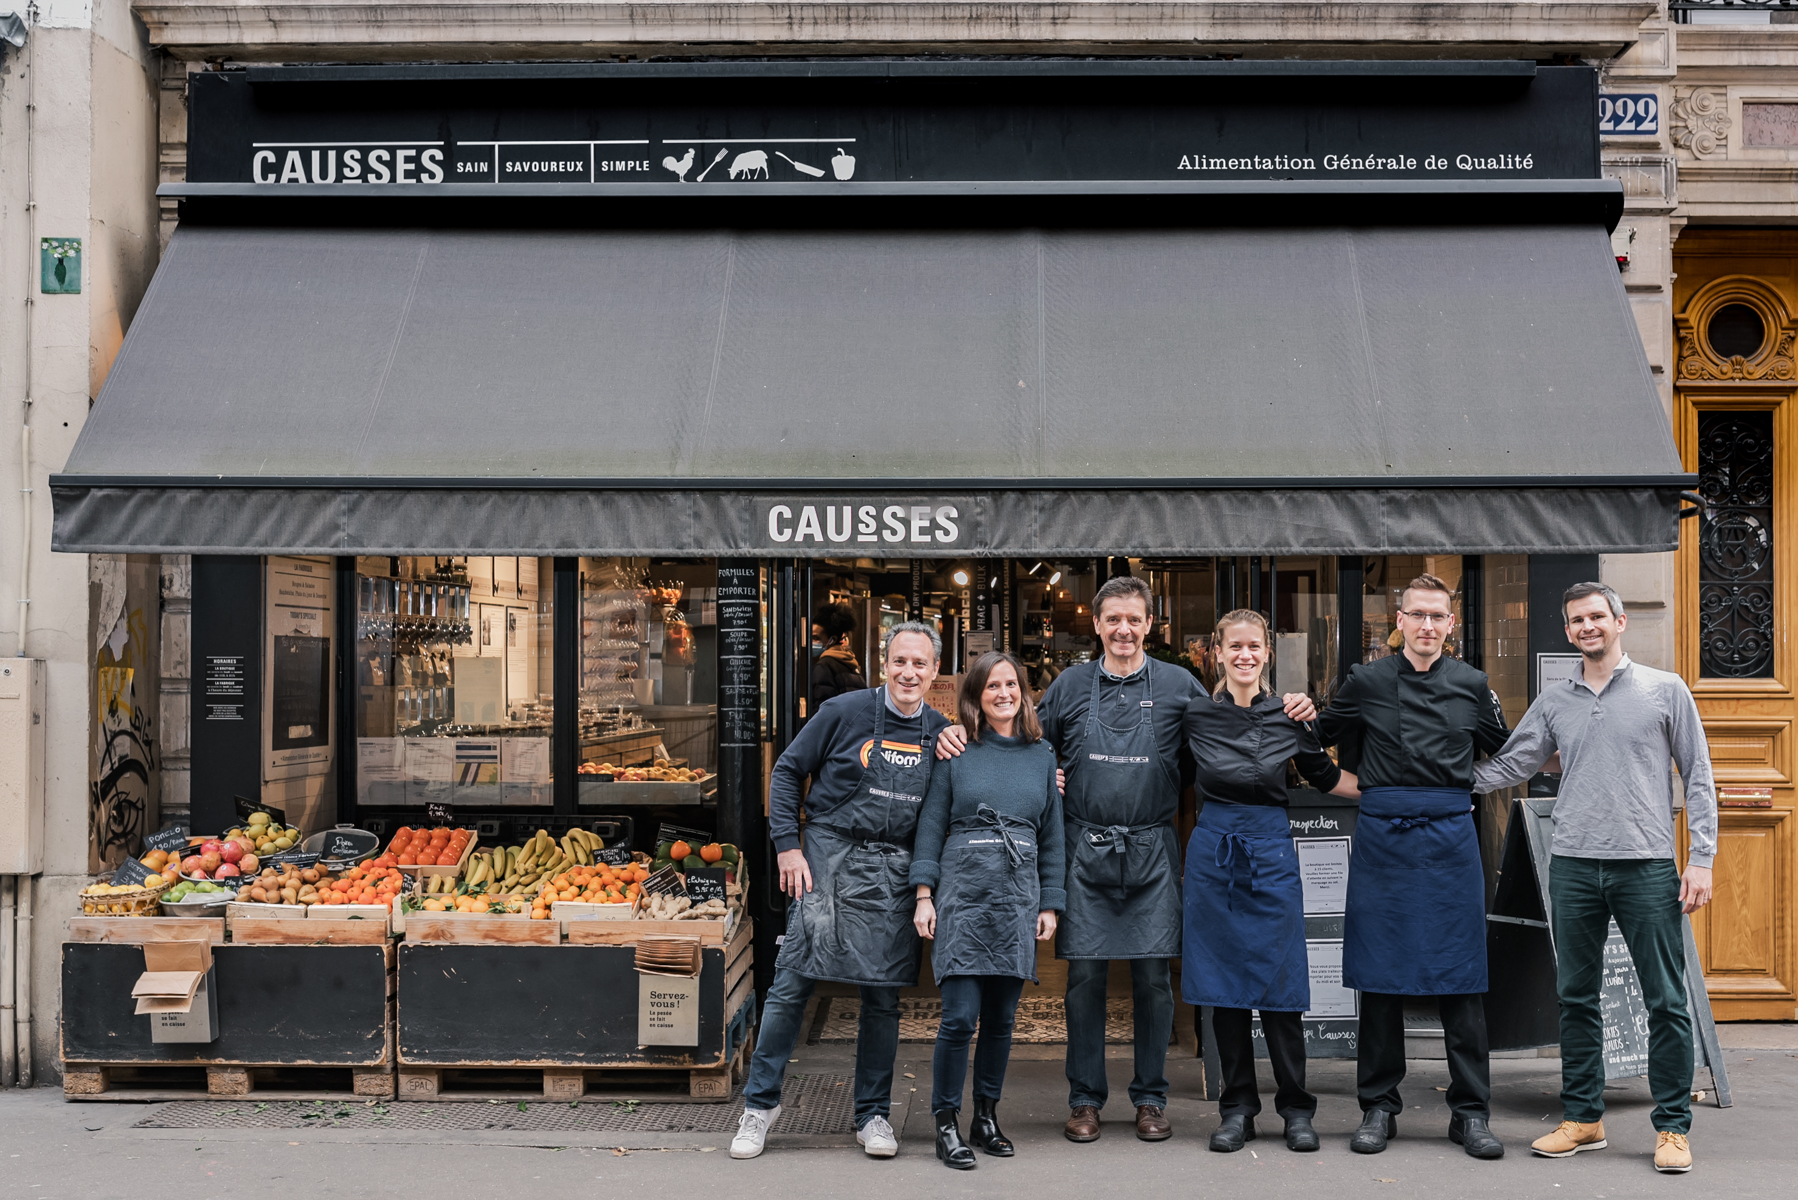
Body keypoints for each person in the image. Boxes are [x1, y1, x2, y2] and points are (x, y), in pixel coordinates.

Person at [1033, 574, 1316, 1144]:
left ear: (1149, 624)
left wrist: (1293, 705)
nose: (1124, 629)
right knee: (1083, 978)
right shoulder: (1068, 685)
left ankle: (1150, 1098)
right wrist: (1033, 770)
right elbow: (1031, 740)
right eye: (1113, 619)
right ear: (1097, 625)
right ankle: (1085, 1099)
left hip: (1152, 845)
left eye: (1134, 619)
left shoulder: (1180, 686)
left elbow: (1225, 737)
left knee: (1153, 978)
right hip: (1085, 848)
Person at [1472, 582, 1716, 1174]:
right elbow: (1514, 762)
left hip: (1646, 864)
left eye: (1597, 616)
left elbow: (1698, 774)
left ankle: (1672, 1126)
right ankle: (1583, 1118)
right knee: (1576, 998)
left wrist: (1702, 858)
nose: (1588, 626)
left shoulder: (1665, 689)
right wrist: (1429, 778)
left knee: (1666, 1000)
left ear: (1619, 621)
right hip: (1574, 865)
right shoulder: (1556, 699)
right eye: (1577, 620)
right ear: (1567, 630)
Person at [731, 622, 951, 1161]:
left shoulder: (941, 733)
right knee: (792, 983)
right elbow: (788, 771)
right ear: (884, 664)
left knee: (882, 997)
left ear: (934, 671)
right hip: (828, 859)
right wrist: (788, 847)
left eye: (919, 664)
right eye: (900, 661)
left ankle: (872, 1114)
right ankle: (759, 1106)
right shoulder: (843, 712)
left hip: (894, 871)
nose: (908, 673)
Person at [1318, 573, 1510, 1160]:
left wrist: (1462, 790)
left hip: (1451, 841)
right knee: (1380, 978)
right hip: (1383, 842)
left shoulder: (1473, 685)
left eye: (1437, 616)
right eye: (1417, 615)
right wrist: (1348, 787)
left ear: (1451, 624)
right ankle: (1378, 1107)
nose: (1427, 625)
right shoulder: (1366, 681)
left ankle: (1471, 1113)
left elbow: (1508, 753)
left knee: (1462, 979)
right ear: (1399, 620)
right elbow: (1315, 740)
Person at [1183, 610, 1361, 1155]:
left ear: (1267, 653)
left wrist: (1404, 792)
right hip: (1215, 856)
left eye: (1254, 646)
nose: (1244, 655)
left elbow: (1326, 777)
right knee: (1225, 990)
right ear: (1217, 653)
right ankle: (1237, 1109)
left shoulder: (1289, 714)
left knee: (1283, 985)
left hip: (1272, 854)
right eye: (1234, 646)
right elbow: (1157, 772)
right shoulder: (1194, 714)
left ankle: (1296, 1108)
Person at [910, 651, 1066, 1170]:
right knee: (959, 1017)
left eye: (1012, 684)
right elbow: (932, 824)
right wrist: (924, 894)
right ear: (976, 696)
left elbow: (1053, 837)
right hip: (962, 891)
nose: (1004, 693)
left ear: (1024, 691)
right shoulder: (956, 749)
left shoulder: (1042, 755)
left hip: (1017, 893)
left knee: (1001, 1019)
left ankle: (986, 1117)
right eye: (992, 686)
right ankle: (946, 1123)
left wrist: (1051, 903)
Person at [812, 602, 866, 706]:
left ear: (832, 640)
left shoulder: (824, 666)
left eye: (816, 638)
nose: (811, 642)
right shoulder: (850, 663)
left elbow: (824, 709)